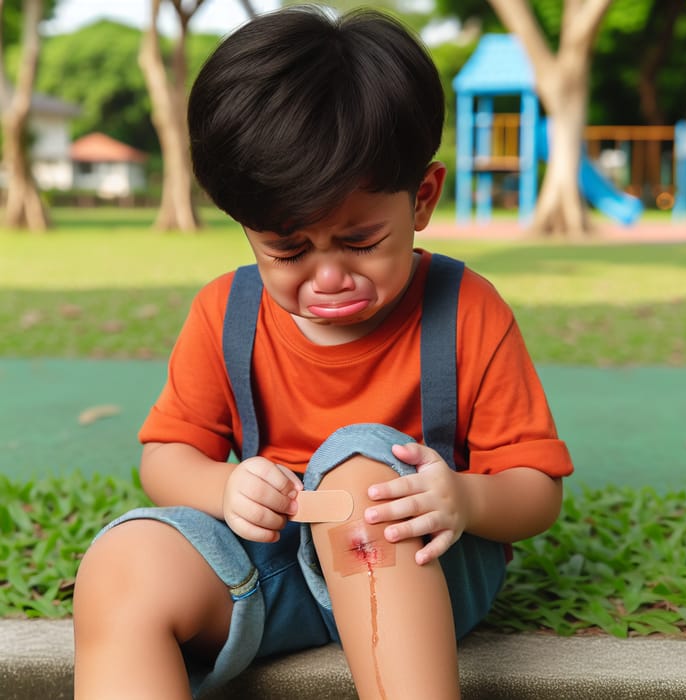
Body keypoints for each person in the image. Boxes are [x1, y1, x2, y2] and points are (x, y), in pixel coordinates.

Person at [72, 6, 574, 699]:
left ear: (422, 197)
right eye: (287, 249)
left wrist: (461, 496)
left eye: (360, 241)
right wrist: (224, 487)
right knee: (122, 563)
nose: (329, 276)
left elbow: (536, 489)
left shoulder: (466, 310)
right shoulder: (227, 314)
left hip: (412, 571)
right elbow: (166, 457)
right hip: (271, 574)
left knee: (363, 472)